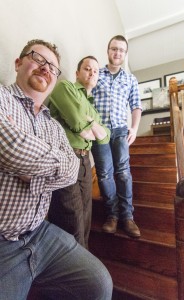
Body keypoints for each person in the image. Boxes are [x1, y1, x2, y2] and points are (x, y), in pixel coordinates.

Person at [0, 39, 113, 300]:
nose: (45, 68)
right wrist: (55, 162)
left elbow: (72, 169)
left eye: (51, 66)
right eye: (37, 59)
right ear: (18, 63)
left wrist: (32, 174)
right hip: (4, 241)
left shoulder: (52, 125)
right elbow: (10, 148)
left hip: (40, 233)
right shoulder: (3, 98)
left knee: (99, 283)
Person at [48, 56, 110, 249]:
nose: (92, 73)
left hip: (84, 161)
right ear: (77, 73)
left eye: (96, 71)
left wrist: (91, 126)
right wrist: (91, 126)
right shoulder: (64, 87)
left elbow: (105, 137)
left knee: (85, 219)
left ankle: (85, 266)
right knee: (71, 220)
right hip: (66, 157)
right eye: (87, 68)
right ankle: (78, 273)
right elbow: (79, 125)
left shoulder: (92, 107)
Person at [92, 35, 142, 238]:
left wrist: (135, 128)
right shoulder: (97, 74)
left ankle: (127, 216)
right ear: (108, 50)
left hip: (121, 130)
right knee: (104, 174)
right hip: (100, 132)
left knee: (123, 173)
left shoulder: (130, 79)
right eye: (114, 49)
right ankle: (112, 216)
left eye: (121, 50)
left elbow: (136, 105)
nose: (117, 53)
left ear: (125, 54)